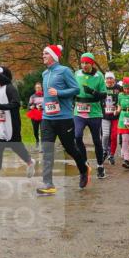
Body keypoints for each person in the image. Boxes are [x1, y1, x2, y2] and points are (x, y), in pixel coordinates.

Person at [36, 45, 90, 196]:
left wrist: (59, 92)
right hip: (47, 118)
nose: (43, 55)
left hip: (64, 118)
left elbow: (76, 89)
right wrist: (44, 104)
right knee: (47, 151)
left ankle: (83, 169)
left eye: (46, 53)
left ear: (53, 55)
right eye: (43, 52)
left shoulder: (65, 70)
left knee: (70, 148)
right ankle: (48, 184)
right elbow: (49, 95)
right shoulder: (45, 73)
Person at [0, 66, 36, 184]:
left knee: (17, 147)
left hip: (11, 124)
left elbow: (16, 104)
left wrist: (0, 107)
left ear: (2, 78)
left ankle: (29, 162)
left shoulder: (10, 88)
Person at [74, 53, 109, 179]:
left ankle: (100, 165)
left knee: (96, 140)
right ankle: (84, 163)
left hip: (94, 112)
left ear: (92, 63)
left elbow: (104, 95)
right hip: (79, 111)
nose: (84, 65)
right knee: (77, 137)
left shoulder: (99, 76)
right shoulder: (77, 74)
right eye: (82, 63)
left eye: (87, 63)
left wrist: (93, 92)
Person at [101, 71, 121, 165]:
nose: (109, 80)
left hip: (115, 115)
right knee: (105, 135)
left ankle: (111, 155)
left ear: (114, 79)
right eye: (107, 78)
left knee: (113, 136)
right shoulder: (102, 87)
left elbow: (124, 97)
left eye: (111, 78)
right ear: (105, 79)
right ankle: (104, 151)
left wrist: (119, 108)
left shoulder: (118, 88)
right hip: (104, 115)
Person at [26, 82, 44, 150]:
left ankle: (42, 144)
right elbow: (29, 106)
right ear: (35, 89)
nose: (38, 89)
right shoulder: (32, 96)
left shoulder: (45, 96)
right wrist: (31, 107)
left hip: (43, 114)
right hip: (35, 115)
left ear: (41, 88)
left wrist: (42, 107)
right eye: (37, 88)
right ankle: (37, 140)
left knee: (43, 130)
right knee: (35, 130)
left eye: (39, 87)